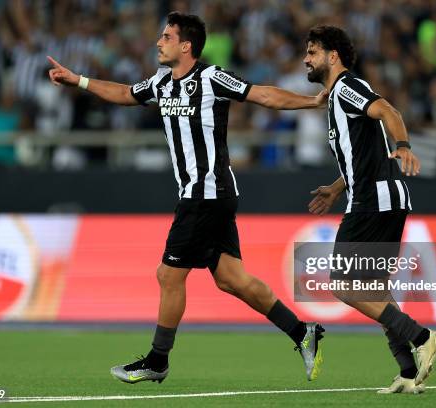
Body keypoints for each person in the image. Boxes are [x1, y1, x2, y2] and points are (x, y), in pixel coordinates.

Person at [47, 12, 327, 384]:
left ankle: (157, 360)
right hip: (207, 194)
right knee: (232, 280)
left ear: (186, 45)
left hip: (206, 193)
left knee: (168, 274)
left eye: (166, 37)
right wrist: (78, 80)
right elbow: (124, 94)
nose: (158, 42)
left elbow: (261, 94)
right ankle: (302, 332)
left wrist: (311, 102)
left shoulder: (211, 78)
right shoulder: (162, 82)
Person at [303, 25, 436, 394]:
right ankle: (408, 372)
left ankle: (422, 336)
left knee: (343, 285)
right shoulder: (335, 99)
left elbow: (388, 110)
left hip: (373, 201)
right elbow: (360, 156)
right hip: (377, 198)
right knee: (376, 288)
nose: (307, 58)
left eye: (313, 51)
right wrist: (337, 188)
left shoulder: (348, 87)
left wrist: (403, 145)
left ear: (332, 56)